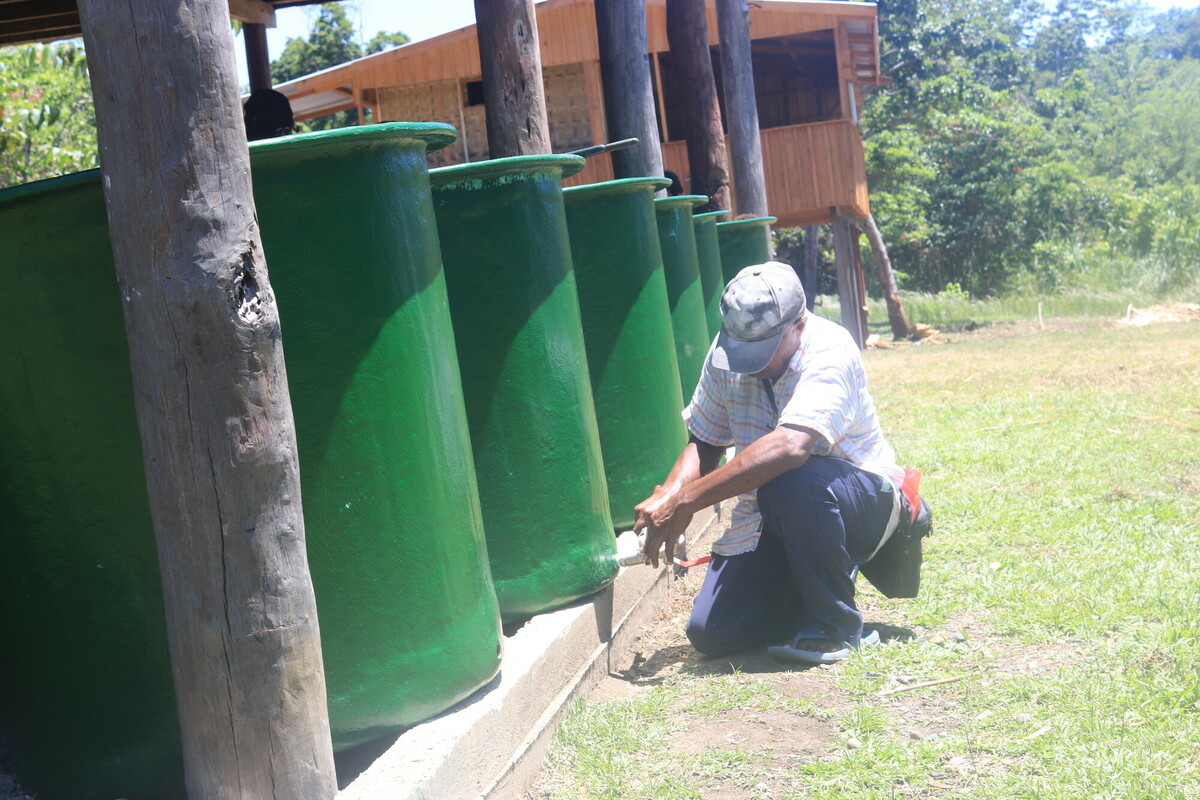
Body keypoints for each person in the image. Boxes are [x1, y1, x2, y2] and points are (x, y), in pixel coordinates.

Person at [634, 261, 905, 664]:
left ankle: (837, 625)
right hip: (773, 513)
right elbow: (706, 441)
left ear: (798, 324)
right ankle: (805, 592)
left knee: (791, 479)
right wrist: (670, 493)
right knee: (713, 633)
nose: (750, 362)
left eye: (761, 350)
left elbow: (791, 447)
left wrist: (689, 500)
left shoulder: (831, 349)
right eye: (741, 349)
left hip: (857, 503)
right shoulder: (727, 351)